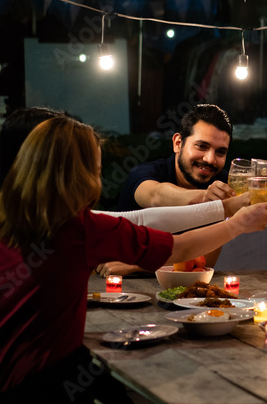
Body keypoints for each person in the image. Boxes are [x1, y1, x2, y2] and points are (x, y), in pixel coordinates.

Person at [0, 107, 248, 404]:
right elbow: (172, 242)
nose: (98, 178)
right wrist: (237, 222)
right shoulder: (78, 230)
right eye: (95, 168)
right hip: (22, 389)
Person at [103, 103, 249, 276]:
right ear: (178, 143)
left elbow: (203, 262)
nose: (210, 159)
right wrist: (207, 199)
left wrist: (138, 267)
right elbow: (155, 195)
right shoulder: (145, 173)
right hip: (120, 289)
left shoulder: (223, 183)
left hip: (189, 293)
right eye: (201, 146)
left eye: (220, 152)